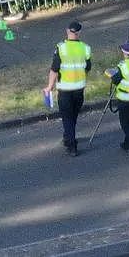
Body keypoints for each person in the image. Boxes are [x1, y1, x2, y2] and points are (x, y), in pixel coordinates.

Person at [42, 21, 92, 156]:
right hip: (79, 89)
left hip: (65, 90)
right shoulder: (86, 48)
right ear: (80, 32)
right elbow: (87, 67)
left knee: (67, 117)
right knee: (73, 115)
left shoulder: (61, 48)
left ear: (67, 31)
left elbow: (54, 69)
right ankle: (67, 136)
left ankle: (72, 145)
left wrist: (49, 86)